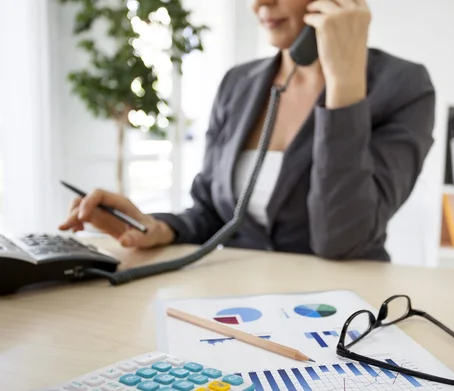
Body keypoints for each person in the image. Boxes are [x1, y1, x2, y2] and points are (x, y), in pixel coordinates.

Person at [59, 0, 435, 262]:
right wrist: (155, 227)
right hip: (240, 302)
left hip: (344, 311)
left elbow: (342, 238)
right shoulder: (239, 83)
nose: (260, 2)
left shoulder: (403, 87)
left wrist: (345, 83)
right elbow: (211, 212)